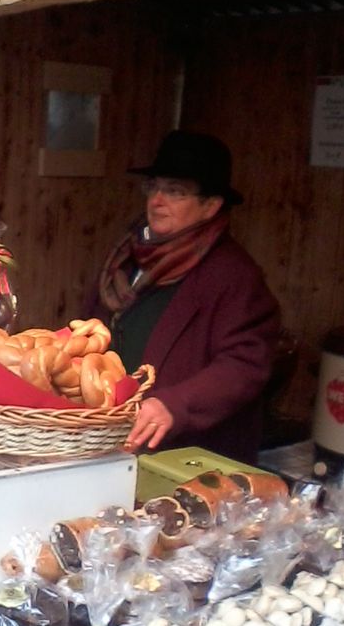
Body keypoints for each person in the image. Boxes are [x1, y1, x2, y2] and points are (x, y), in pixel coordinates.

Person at [97, 130, 280, 464]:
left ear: (210, 206)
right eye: (153, 187)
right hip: (111, 440)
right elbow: (95, 331)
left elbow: (245, 365)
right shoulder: (127, 256)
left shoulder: (235, 275)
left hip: (184, 456)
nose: (157, 200)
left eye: (175, 192)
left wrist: (175, 405)